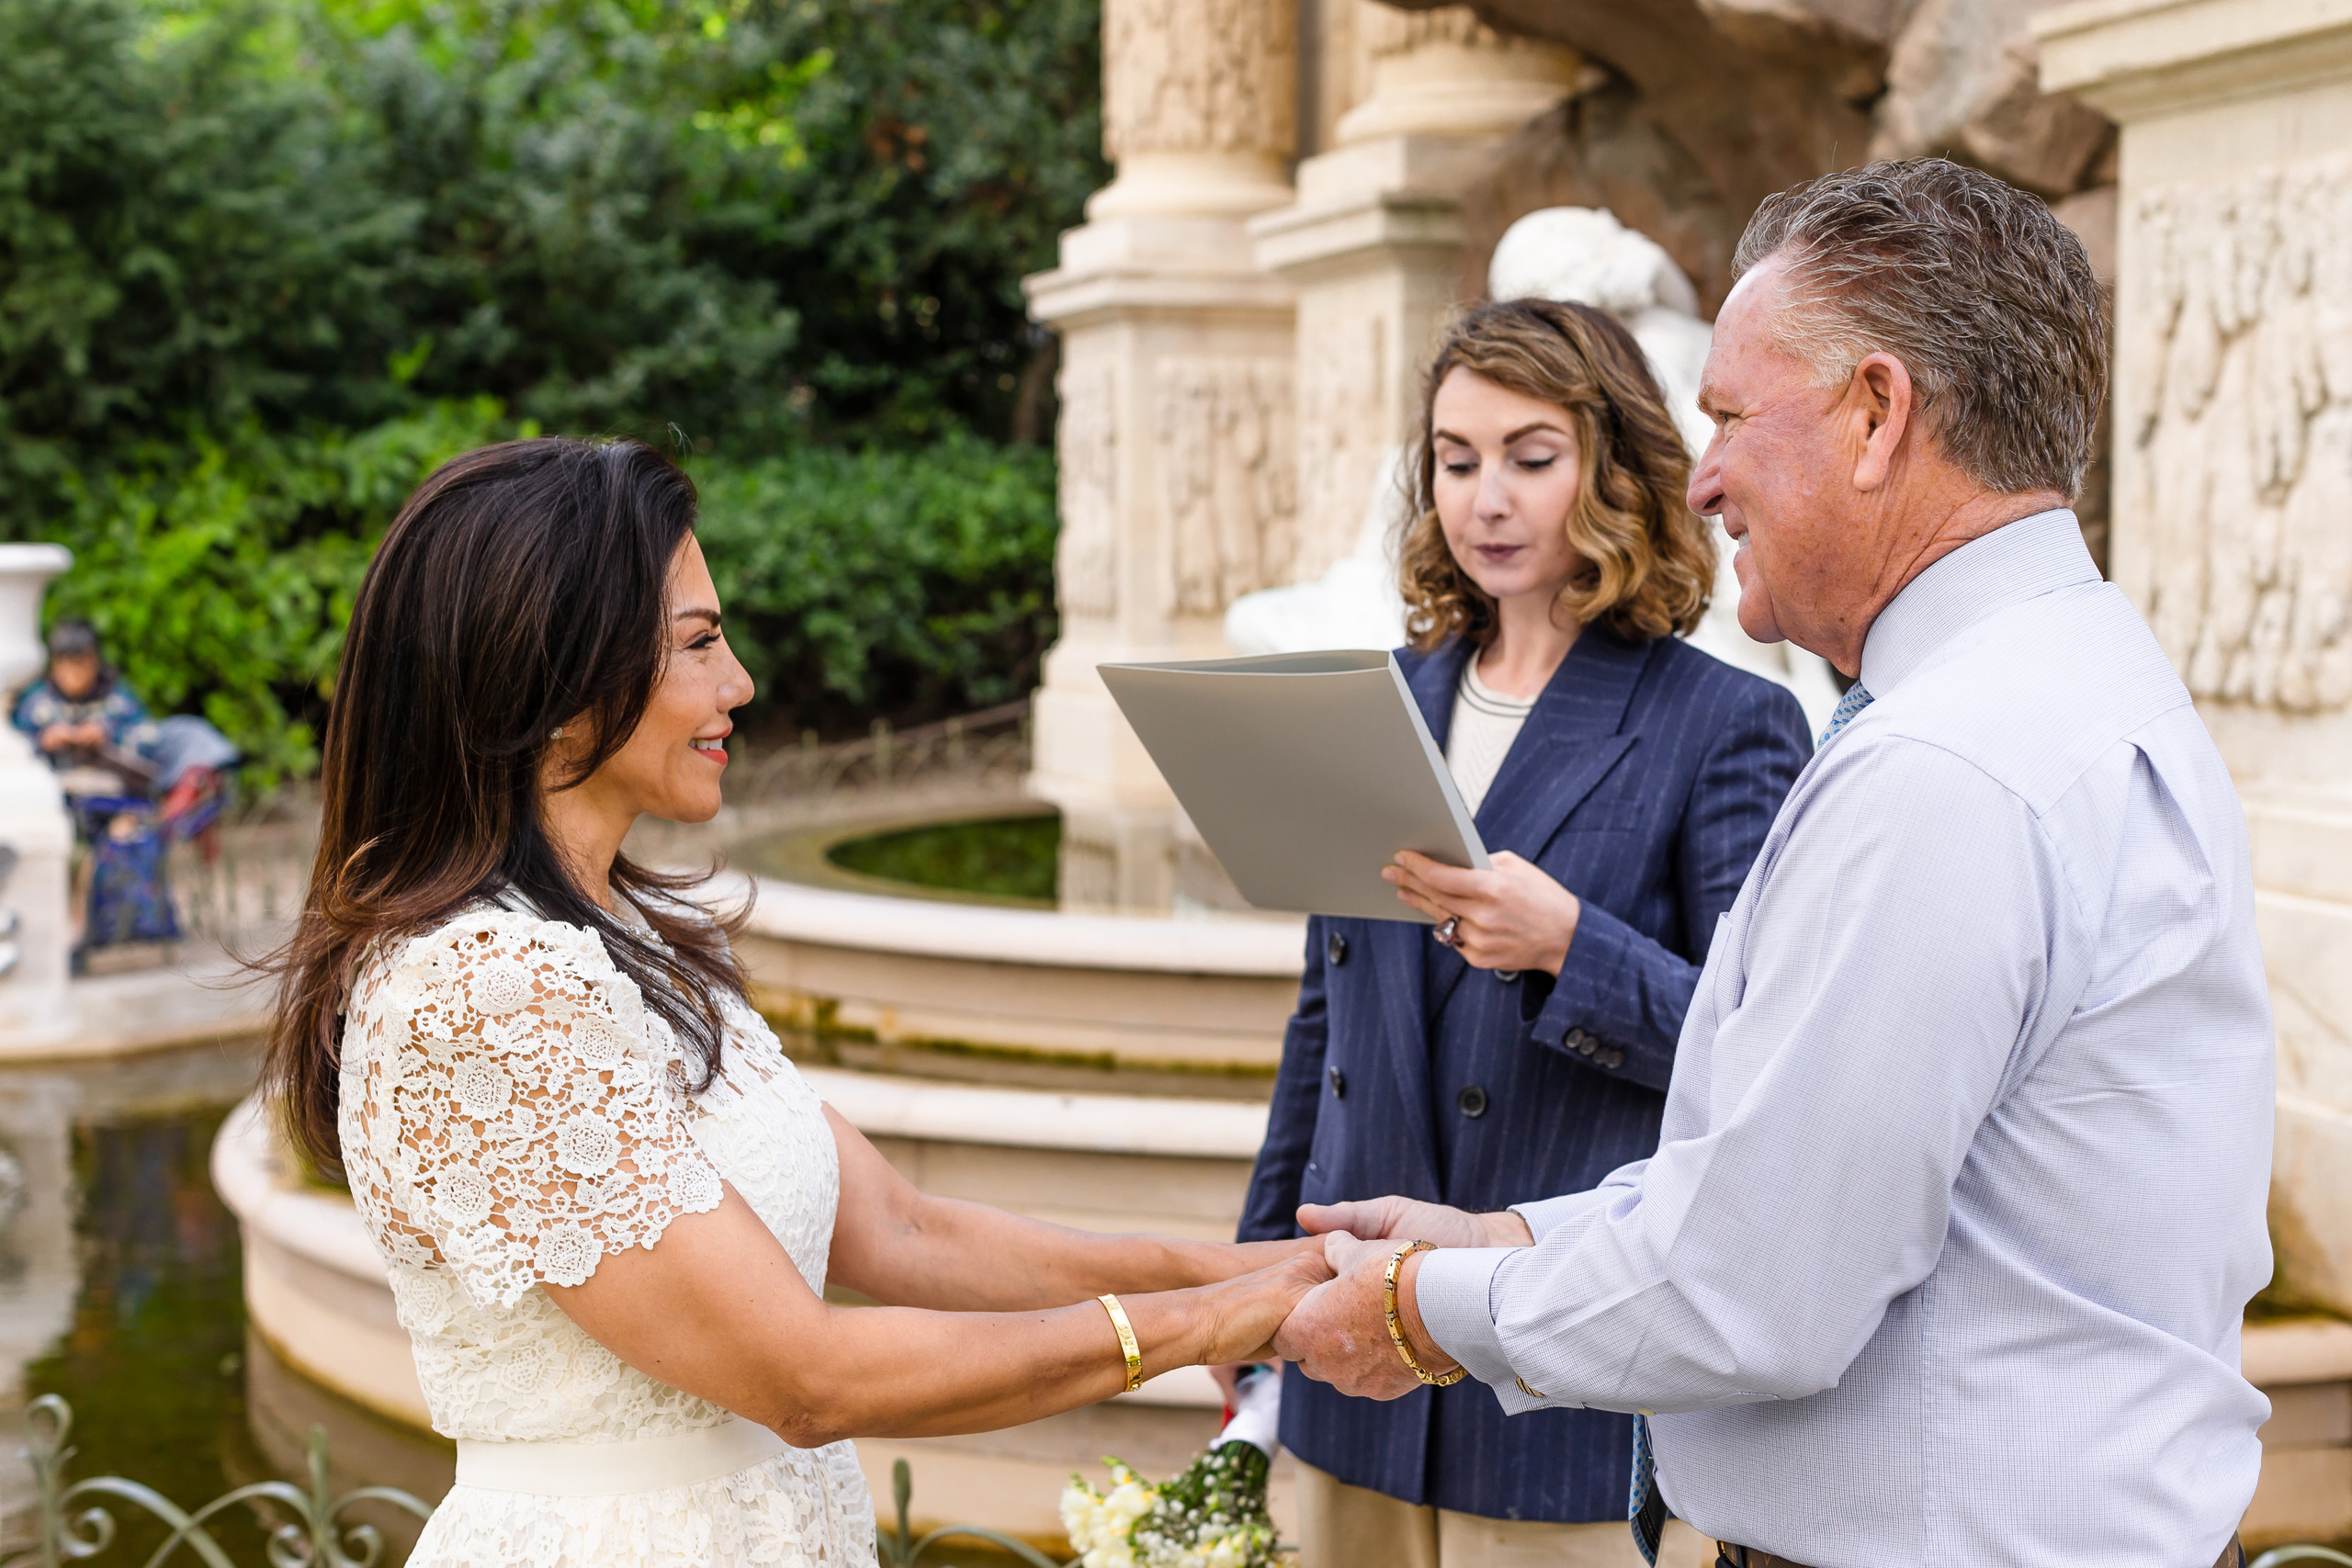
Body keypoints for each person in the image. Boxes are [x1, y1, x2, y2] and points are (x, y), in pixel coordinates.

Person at [1272, 157, 2273, 1568]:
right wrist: (1503, 1232)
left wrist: (1422, 1308)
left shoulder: (1946, 768)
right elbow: (1779, 1170)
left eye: (1735, 415)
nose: (1710, 475)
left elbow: (1759, 1283)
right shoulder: (2066, 682)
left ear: (1877, 415)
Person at [262, 437, 1330, 1568]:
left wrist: (1271, 1273)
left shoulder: (617, 938)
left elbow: (905, 1230)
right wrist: (1212, 1327)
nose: (740, 684)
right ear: (560, 693)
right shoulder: (482, 995)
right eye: (698, 645)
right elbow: (804, 1378)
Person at [1235, 298, 1808, 1568]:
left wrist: (1571, 943)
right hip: (1351, 1375)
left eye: (1529, 458)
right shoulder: (1376, 699)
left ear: (1609, 470)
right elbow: (1322, 1027)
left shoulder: (1723, 722)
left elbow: (1767, 1051)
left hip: (1561, 1394)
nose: (1486, 496)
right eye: (1456, 458)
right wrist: (1252, 1277)